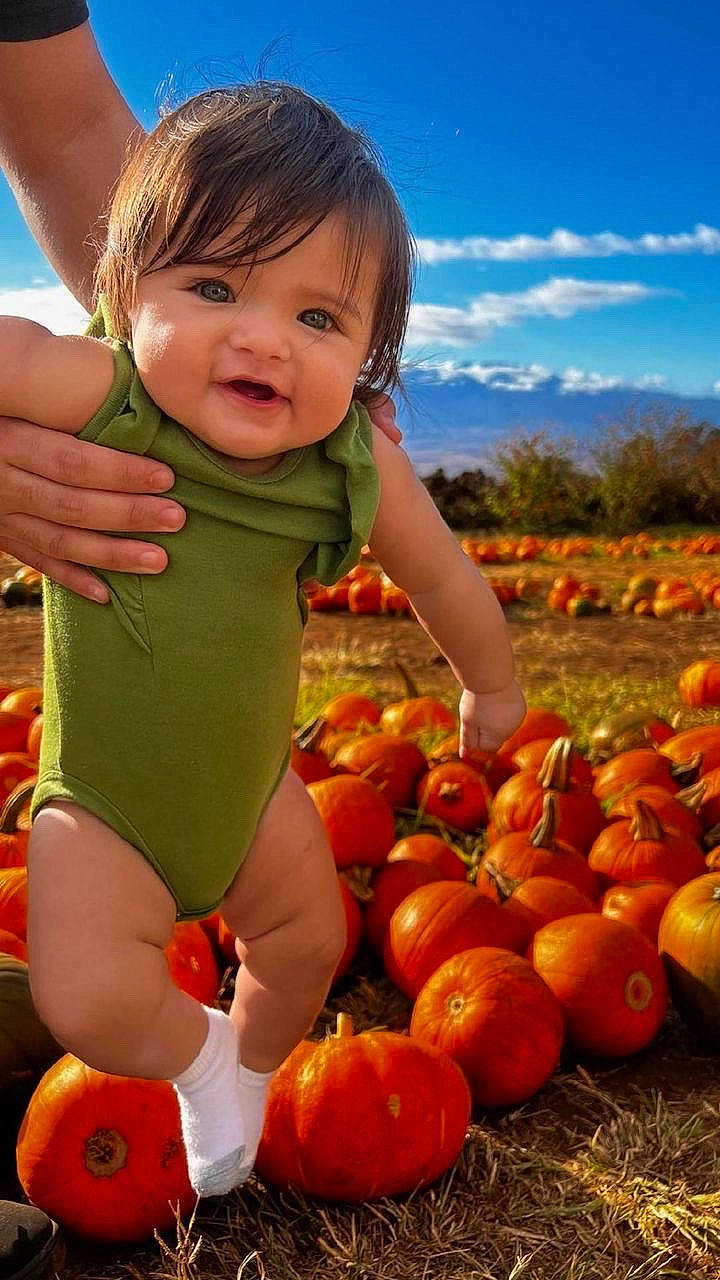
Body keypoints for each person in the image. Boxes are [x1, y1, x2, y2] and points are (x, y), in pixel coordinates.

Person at [1, 70, 525, 1203]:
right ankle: (197, 1055)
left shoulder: (348, 466)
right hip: (105, 803)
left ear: (370, 358)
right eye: (214, 286)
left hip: (255, 798)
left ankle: (244, 1068)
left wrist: (490, 683)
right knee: (85, 1000)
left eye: (318, 317)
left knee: (306, 947)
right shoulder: (102, 396)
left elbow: (441, 571)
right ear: (123, 290)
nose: (264, 340)